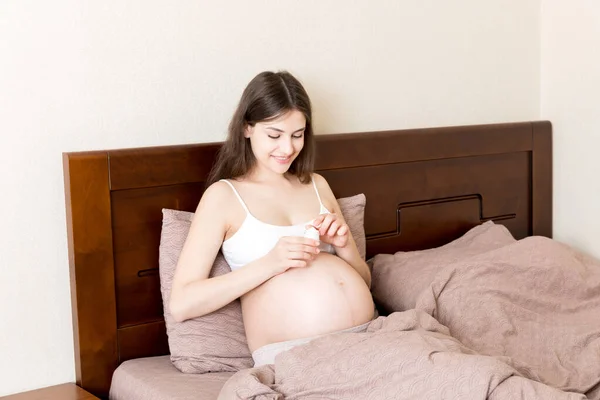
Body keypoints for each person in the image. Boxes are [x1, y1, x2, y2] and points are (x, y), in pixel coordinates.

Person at [169, 70, 375, 366]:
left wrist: (344, 246)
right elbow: (182, 303)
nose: (288, 148)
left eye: (297, 135)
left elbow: (364, 281)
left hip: (366, 339)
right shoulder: (224, 196)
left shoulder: (317, 185)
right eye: (274, 135)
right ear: (246, 129)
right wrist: (271, 263)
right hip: (298, 356)